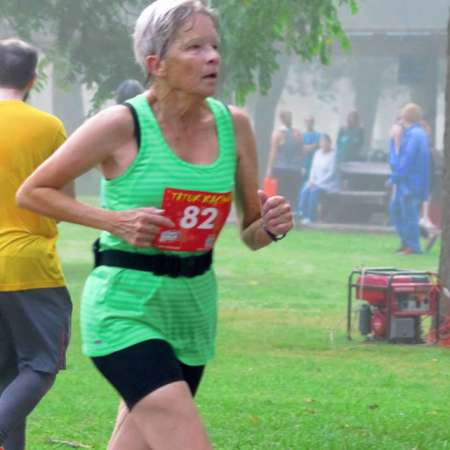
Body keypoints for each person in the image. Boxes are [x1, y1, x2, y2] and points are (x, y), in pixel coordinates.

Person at [16, 1, 294, 449]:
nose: (213, 57)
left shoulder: (235, 126)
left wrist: (273, 225)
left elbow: (252, 231)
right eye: (196, 47)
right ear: (156, 64)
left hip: (192, 312)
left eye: (215, 46)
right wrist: (113, 220)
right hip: (125, 308)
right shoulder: (120, 124)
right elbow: (32, 191)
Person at [0, 38, 73, 450]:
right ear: (32, 78)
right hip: (30, 266)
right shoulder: (48, 127)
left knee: (6, 377)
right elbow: (64, 204)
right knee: (39, 367)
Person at [388, 103, 430, 255]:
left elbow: (407, 159)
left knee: (408, 214)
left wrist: (395, 177)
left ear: (405, 116)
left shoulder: (414, 135)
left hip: (410, 182)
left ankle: (413, 246)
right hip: (410, 181)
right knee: (398, 211)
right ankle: (407, 243)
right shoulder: (417, 133)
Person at [265, 109, 303, 207]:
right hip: (290, 168)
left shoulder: (279, 134)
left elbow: (273, 152)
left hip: (284, 168)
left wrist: (269, 168)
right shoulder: (296, 133)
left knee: (283, 193)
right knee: (288, 193)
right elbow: (301, 151)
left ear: (281, 119)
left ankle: (284, 212)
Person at [297, 134, 338, 224]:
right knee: (304, 190)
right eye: (321, 142)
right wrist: (312, 180)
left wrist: (318, 183)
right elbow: (313, 169)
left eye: (324, 142)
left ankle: (311, 217)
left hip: (327, 184)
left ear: (329, 143)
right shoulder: (317, 153)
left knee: (314, 192)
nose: (322, 144)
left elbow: (331, 173)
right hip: (314, 182)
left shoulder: (333, 155)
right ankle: (301, 214)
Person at [301, 115, 321, 181]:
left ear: (313, 122)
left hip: (314, 165)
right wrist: (312, 146)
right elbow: (301, 148)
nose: (308, 123)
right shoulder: (301, 135)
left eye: (310, 121)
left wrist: (307, 147)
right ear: (304, 122)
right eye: (307, 121)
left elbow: (317, 146)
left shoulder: (318, 135)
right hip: (303, 164)